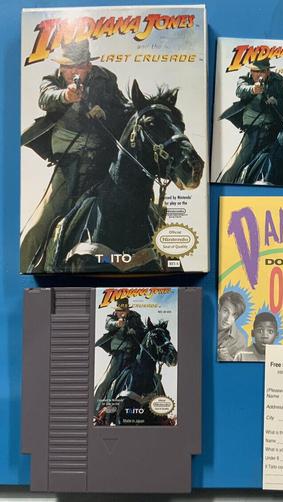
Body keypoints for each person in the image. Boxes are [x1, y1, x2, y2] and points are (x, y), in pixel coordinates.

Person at [20, 39, 129, 272]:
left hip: (103, 164)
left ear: (88, 66)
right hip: (68, 167)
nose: (71, 72)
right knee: (34, 230)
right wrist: (66, 96)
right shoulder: (52, 80)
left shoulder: (106, 79)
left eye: (77, 66)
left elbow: (125, 109)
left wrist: (106, 113)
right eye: (66, 66)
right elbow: (46, 98)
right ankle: (26, 271)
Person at [218, 58, 283, 183]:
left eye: (262, 71)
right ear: (251, 71)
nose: (258, 74)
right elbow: (240, 90)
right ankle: (226, 185)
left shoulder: (279, 80)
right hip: (253, 129)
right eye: (255, 71)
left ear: (268, 71)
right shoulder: (245, 79)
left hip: (274, 128)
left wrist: (277, 101)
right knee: (238, 162)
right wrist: (253, 89)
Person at [94, 298, 146, 411]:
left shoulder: (136, 317)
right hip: (119, 355)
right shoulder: (111, 317)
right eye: (119, 310)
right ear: (116, 310)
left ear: (128, 310)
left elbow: (143, 330)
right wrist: (117, 323)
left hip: (134, 355)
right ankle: (94, 409)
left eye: (124, 310)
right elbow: (108, 324)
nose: (122, 313)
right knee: (107, 380)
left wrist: (135, 331)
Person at [217, 291, 247, 361]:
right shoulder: (204, 321)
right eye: (226, 311)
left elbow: (240, 366)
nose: (228, 318)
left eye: (234, 315)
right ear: (219, 308)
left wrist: (228, 359)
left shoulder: (240, 341)